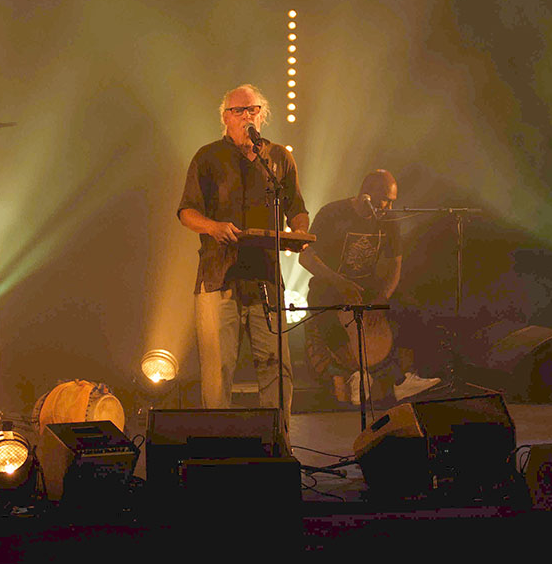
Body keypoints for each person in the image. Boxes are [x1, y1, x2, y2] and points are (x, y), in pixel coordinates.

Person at [177, 84, 309, 445]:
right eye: (238, 110)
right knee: (219, 373)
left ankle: (279, 447)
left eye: (252, 109)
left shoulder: (278, 158)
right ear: (225, 117)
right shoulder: (207, 157)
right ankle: (219, 451)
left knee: (276, 368)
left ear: (262, 114)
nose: (246, 116)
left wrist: (299, 233)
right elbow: (186, 211)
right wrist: (213, 227)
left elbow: (297, 207)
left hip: (265, 278)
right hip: (220, 277)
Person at [299, 169, 440, 405]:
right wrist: (339, 282)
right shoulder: (332, 213)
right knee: (320, 302)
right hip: (331, 283)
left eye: (392, 201)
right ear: (366, 194)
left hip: (367, 286)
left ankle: (402, 380)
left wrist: (383, 297)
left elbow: (396, 265)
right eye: (385, 199)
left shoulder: (389, 219)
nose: (388, 206)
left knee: (410, 306)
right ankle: (355, 375)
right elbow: (306, 257)